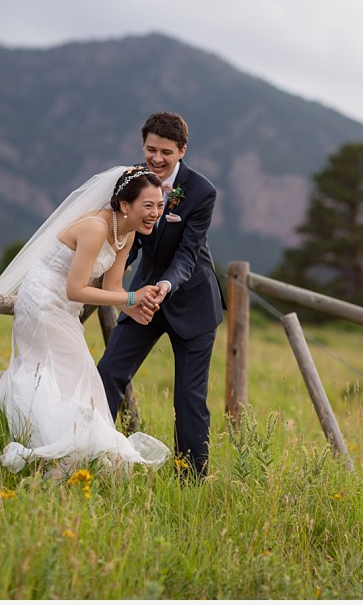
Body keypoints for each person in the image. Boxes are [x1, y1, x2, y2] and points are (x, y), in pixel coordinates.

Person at [0, 165, 171, 476]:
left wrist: (133, 308)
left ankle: (70, 456)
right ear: (125, 205)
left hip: (64, 308)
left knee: (79, 378)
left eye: (159, 206)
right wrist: (132, 298)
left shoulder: (125, 234)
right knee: (66, 376)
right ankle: (54, 455)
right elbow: (76, 289)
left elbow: (112, 289)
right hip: (42, 301)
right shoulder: (95, 227)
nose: (155, 213)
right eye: (147, 206)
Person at [98, 111, 225, 479]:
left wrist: (165, 287)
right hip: (143, 300)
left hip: (193, 302)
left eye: (165, 152)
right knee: (108, 371)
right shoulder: (132, 180)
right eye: (151, 149)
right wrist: (117, 286)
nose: (156, 158)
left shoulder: (202, 191)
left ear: (182, 150)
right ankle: (90, 452)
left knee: (189, 397)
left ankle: (191, 480)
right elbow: (127, 240)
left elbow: (188, 254)